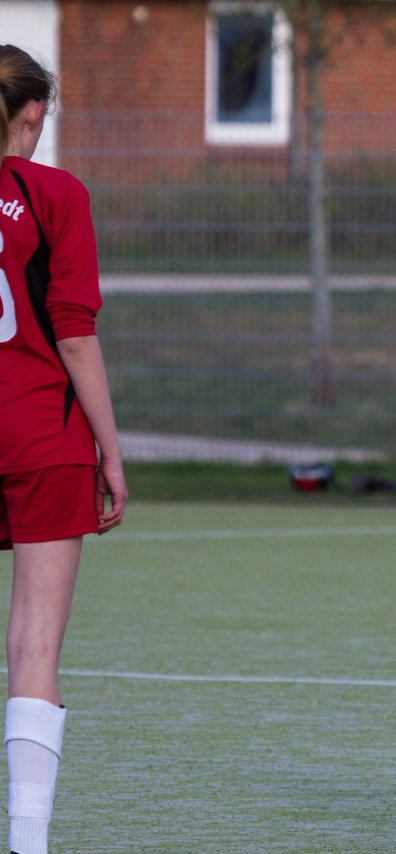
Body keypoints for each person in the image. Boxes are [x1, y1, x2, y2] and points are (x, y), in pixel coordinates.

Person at [0, 45, 128, 854]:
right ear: (34, 115)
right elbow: (74, 335)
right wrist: (111, 452)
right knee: (34, 646)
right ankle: (29, 841)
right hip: (42, 434)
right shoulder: (54, 192)